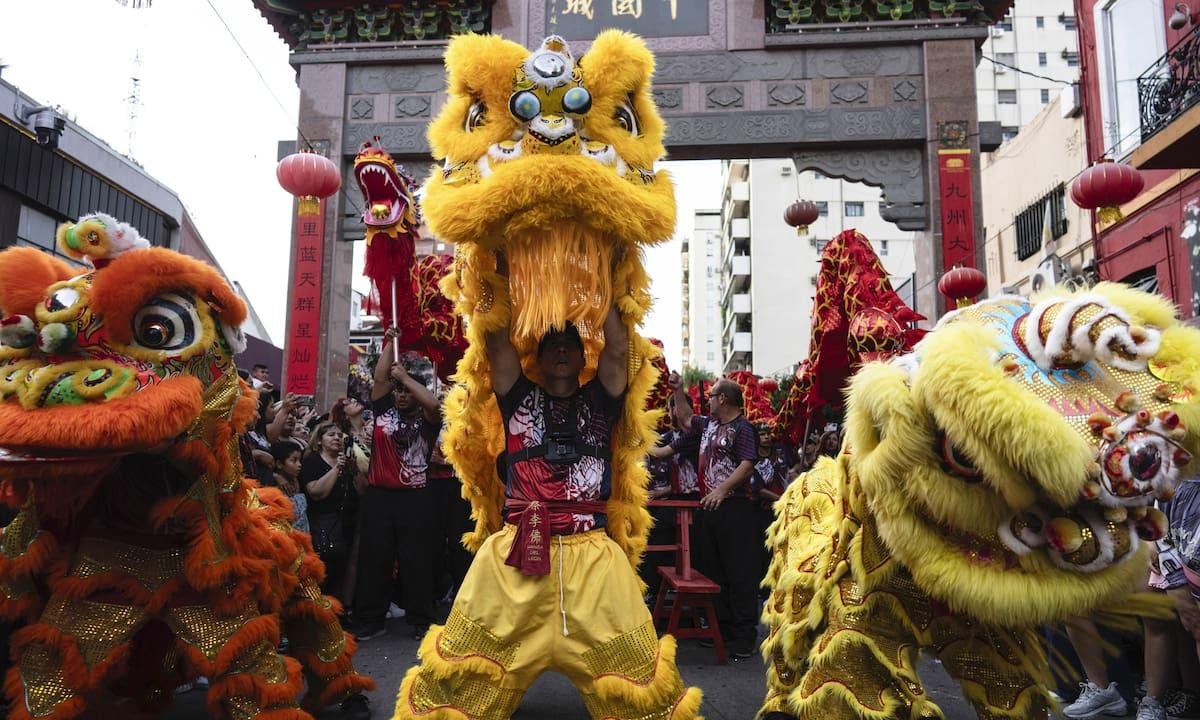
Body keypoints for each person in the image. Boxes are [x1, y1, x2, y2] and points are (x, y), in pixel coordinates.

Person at [397, 296, 699, 718]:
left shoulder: (603, 399)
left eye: (569, 344)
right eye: (551, 344)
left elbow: (616, 347)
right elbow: (497, 340)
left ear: (581, 356)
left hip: (594, 561)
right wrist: (494, 267)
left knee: (640, 694)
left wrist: (611, 278)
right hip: (515, 559)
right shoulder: (516, 396)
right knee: (457, 690)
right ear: (536, 358)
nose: (560, 350)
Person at [650, 374, 760, 659]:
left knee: (739, 573)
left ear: (722, 399)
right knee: (713, 571)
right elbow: (686, 419)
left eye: (711, 396)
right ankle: (720, 629)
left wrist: (722, 490)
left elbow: (747, 465)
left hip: (735, 509)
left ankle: (744, 636)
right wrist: (678, 390)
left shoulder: (743, 428)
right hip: (708, 510)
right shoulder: (709, 425)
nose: (708, 400)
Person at [353, 329, 442, 642]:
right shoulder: (381, 413)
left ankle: (421, 620)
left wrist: (405, 377)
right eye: (399, 391)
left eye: (406, 391)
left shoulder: (428, 420)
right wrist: (391, 341)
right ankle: (369, 619)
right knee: (374, 558)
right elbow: (379, 378)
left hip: (415, 499)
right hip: (379, 497)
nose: (403, 395)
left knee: (416, 560)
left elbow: (433, 403)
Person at [299, 422, 357, 599]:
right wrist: (336, 468)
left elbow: (361, 490)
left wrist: (354, 469)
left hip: (346, 522)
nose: (337, 438)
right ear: (319, 441)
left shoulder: (346, 460)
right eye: (331, 435)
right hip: (323, 522)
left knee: (343, 567)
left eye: (340, 436)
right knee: (325, 568)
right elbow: (316, 492)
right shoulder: (312, 461)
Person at [271, 441, 309, 533]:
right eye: (294, 460)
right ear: (279, 464)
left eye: (300, 460)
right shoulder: (273, 488)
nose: (299, 464)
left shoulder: (299, 480)